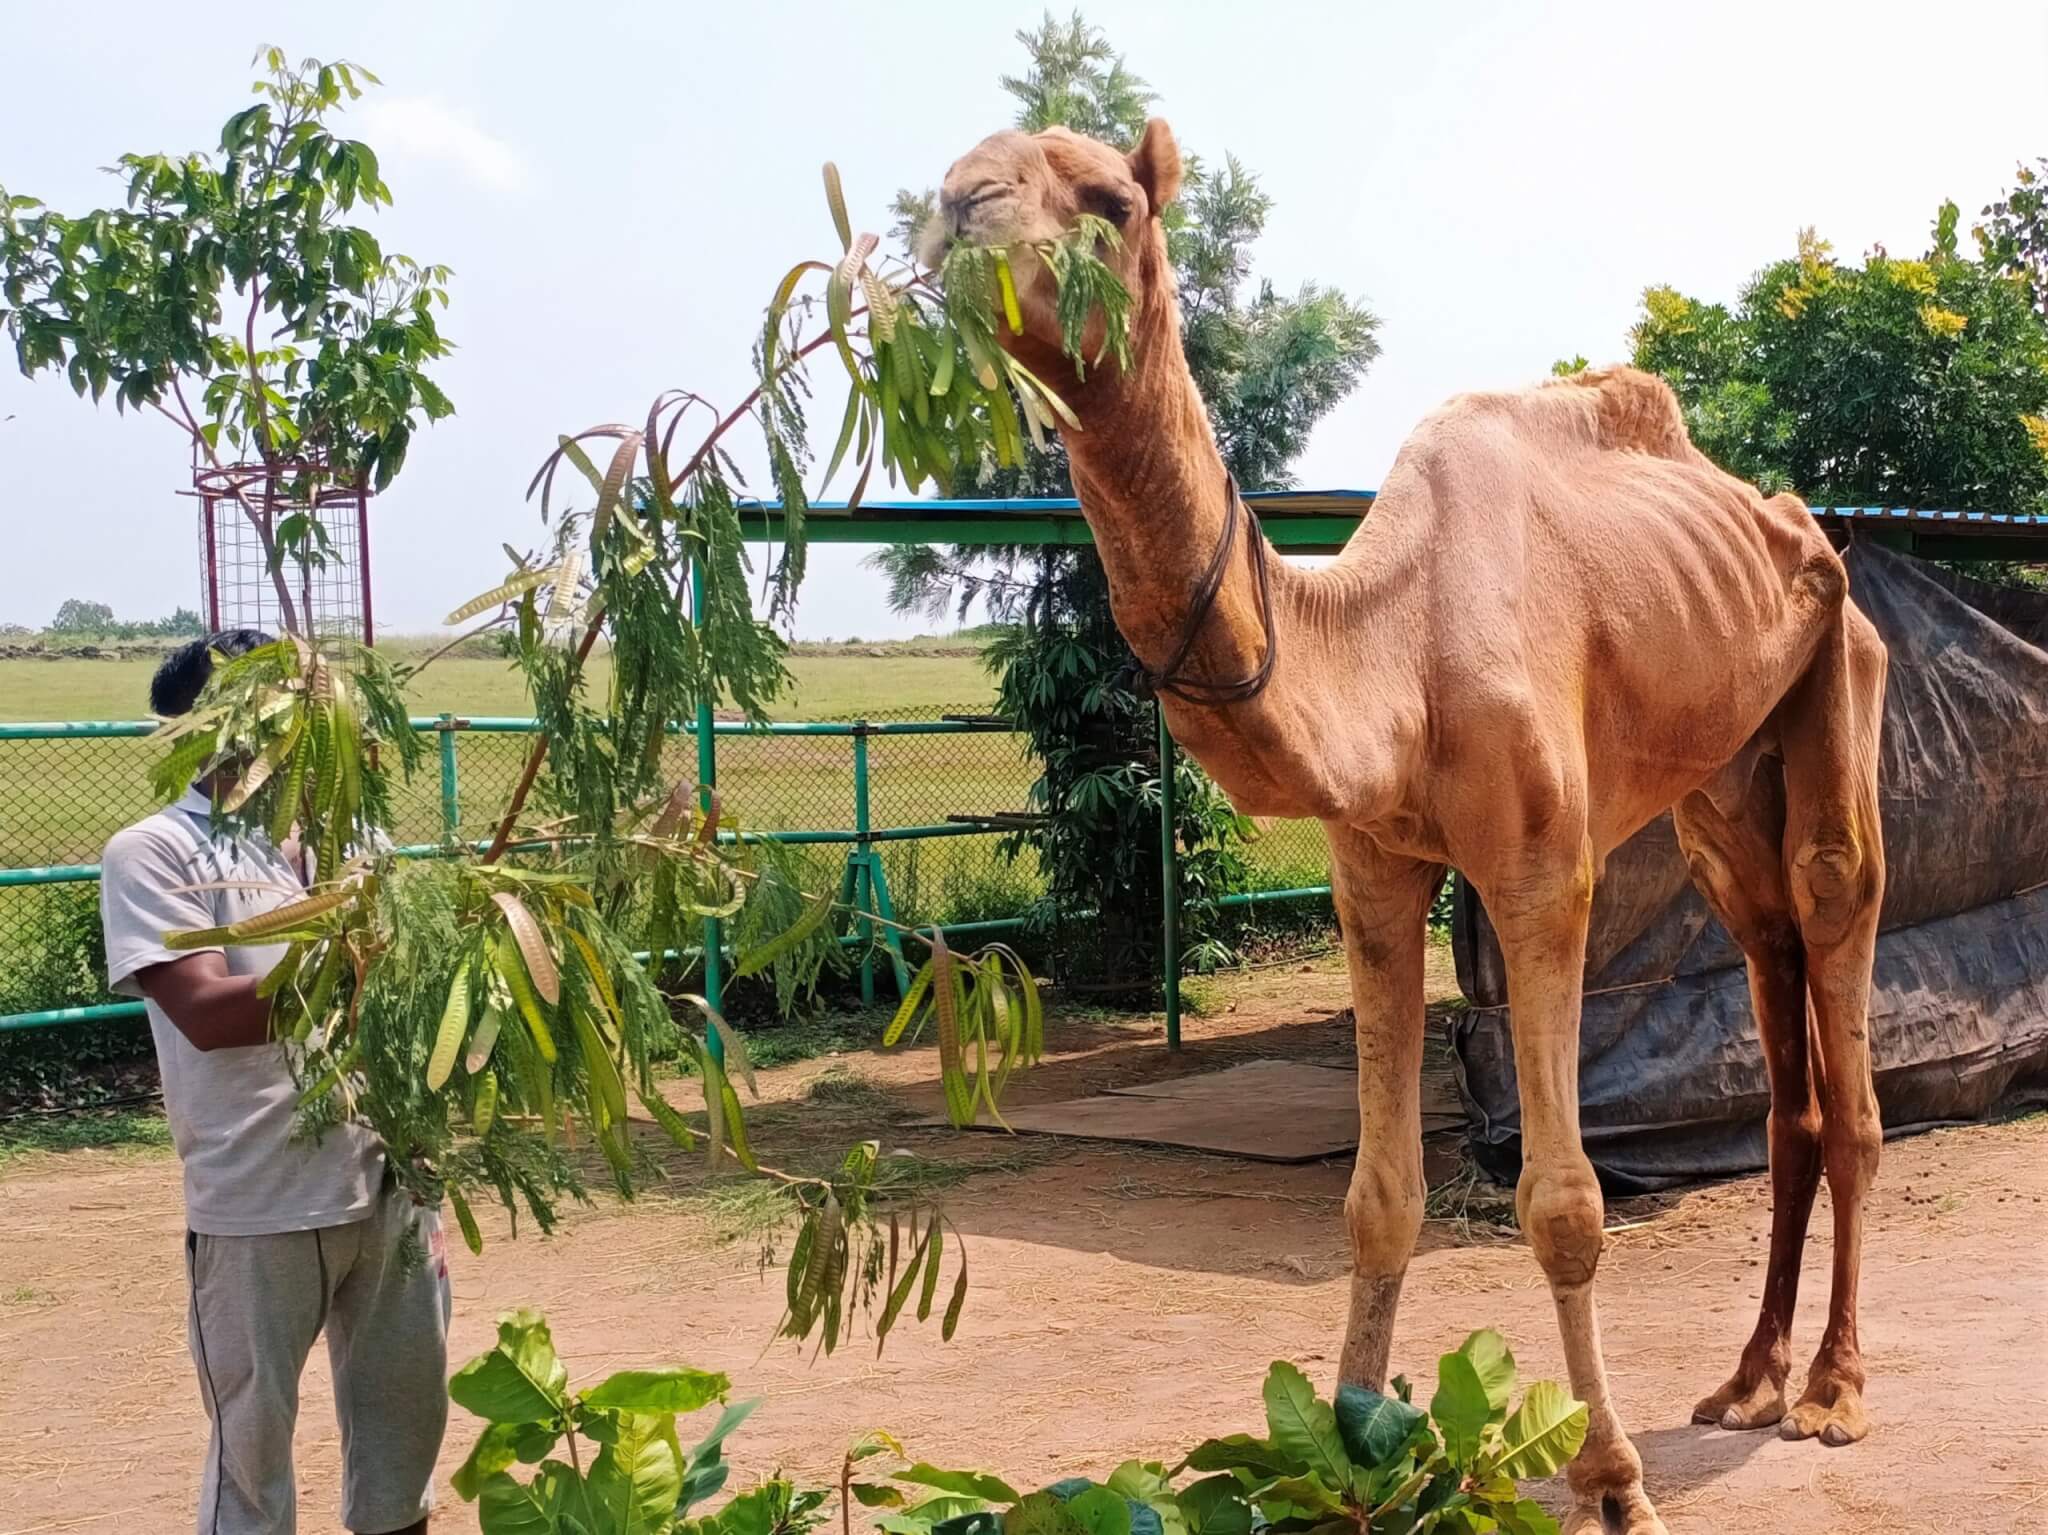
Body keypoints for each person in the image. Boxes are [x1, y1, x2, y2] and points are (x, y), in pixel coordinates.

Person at [100, 630, 449, 1535]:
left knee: (403, 1446)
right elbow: (211, 1014)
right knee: (252, 1467)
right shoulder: (155, 852)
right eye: (285, 704)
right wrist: (361, 962)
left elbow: (407, 1010)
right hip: (257, 1201)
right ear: (203, 727)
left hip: (387, 1182)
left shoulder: (349, 839)